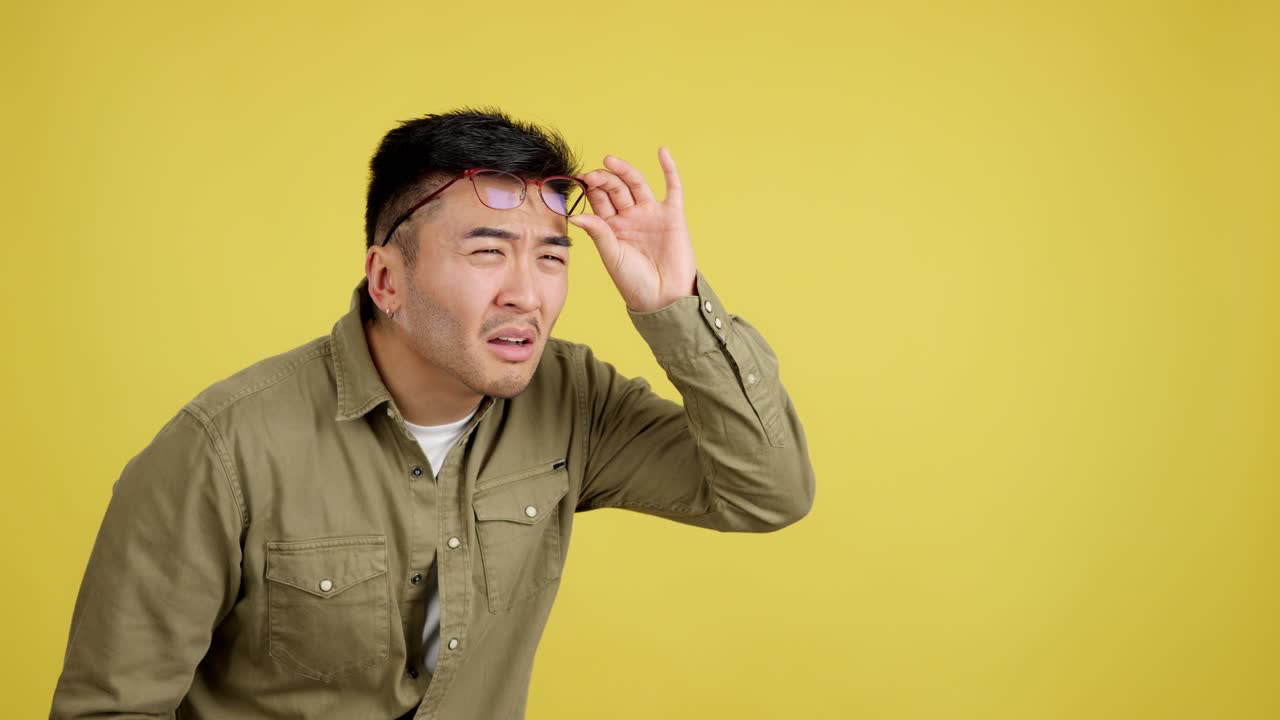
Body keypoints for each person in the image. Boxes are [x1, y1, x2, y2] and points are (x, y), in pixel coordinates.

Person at [50, 108, 815, 719]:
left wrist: (672, 304)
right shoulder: (224, 449)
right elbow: (110, 709)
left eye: (552, 256)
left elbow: (766, 492)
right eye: (488, 252)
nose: (528, 291)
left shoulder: (573, 400)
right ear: (387, 278)